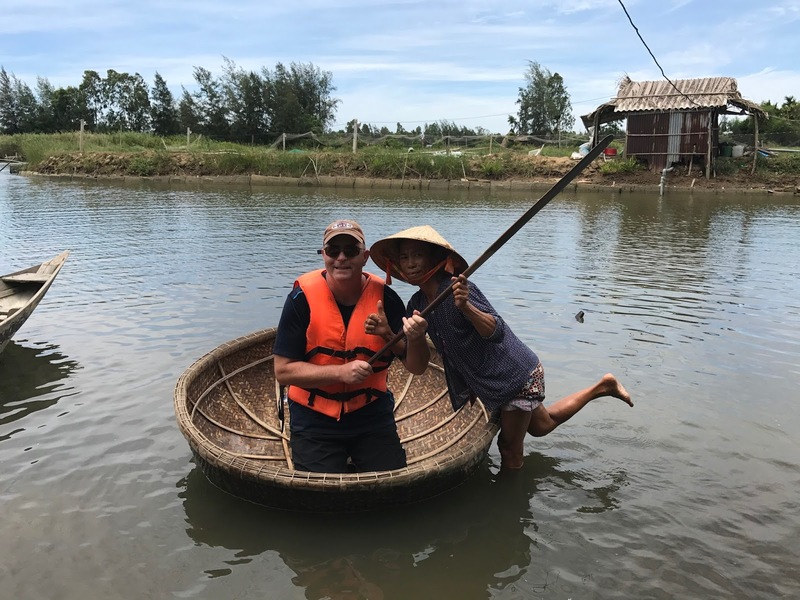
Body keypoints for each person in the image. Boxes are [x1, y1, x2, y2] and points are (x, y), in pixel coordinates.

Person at [367, 225, 633, 470]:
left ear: (435, 259)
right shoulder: (417, 302)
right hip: (496, 380)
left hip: (514, 375)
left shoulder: (458, 289)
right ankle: (603, 386)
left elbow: (495, 331)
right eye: (404, 257)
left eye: (418, 255)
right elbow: (419, 363)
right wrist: (389, 333)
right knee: (542, 426)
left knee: (509, 448)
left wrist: (466, 307)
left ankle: (511, 516)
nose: (411, 263)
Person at [273, 219, 429, 473]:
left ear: (365, 257)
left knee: (390, 484)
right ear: (323, 255)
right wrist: (340, 372)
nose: (341, 258)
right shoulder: (300, 299)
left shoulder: (386, 299)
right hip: (314, 417)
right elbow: (283, 371)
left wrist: (417, 337)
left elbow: (418, 367)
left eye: (351, 250)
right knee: (320, 493)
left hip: (370, 413)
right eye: (333, 251)